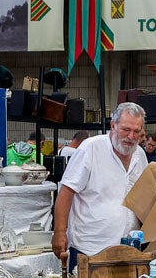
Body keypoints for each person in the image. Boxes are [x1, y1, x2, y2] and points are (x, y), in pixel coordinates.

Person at [52, 102, 148, 269]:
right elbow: (66, 192)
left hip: (128, 249)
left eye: (136, 132)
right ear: (113, 125)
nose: (131, 136)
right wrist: (59, 232)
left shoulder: (140, 155)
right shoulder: (90, 148)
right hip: (90, 249)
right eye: (126, 129)